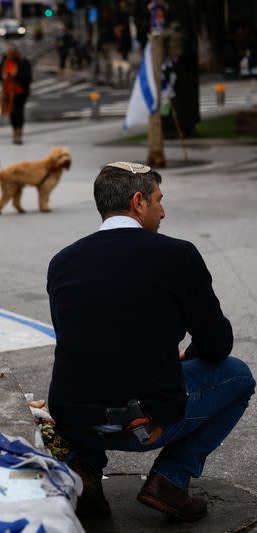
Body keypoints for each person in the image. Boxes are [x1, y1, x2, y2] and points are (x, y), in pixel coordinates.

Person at [47, 162, 255, 522]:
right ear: (138, 202)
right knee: (238, 375)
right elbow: (218, 344)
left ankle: (83, 469)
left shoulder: (62, 262)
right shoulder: (178, 255)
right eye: (159, 200)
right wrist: (181, 357)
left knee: (90, 373)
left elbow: (86, 341)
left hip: (74, 416)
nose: (164, 211)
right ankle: (170, 480)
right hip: (144, 421)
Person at [0, 44, 32, 145]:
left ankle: (19, 133)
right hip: (8, 92)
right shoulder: (5, 62)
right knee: (12, 112)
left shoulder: (24, 62)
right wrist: (4, 77)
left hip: (20, 92)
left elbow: (28, 77)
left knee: (18, 111)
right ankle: (15, 130)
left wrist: (15, 76)